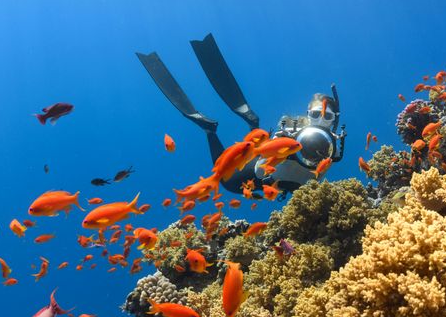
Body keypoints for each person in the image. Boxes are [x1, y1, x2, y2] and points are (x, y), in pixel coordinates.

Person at [136, 34, 346, 196]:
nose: (321, 119)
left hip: (291, 188)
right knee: (226, 180)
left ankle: (248, 125)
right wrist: (279, 147)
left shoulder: (334, 145)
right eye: (316, 114)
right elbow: (263, 164)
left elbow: (317, 177)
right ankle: (213, 130)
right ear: (308, 113)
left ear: (335, 120)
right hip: (261, 176)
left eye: (327, 117)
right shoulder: (293, 129)